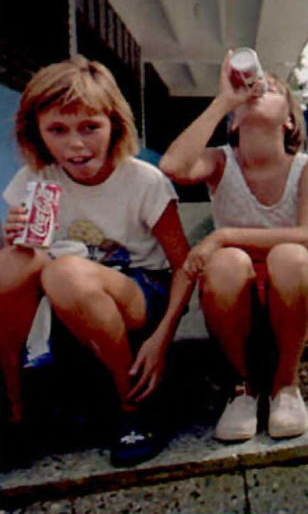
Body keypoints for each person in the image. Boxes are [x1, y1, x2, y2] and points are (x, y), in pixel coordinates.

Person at [0, 56, 191, 469]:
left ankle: (133, 403)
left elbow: (185, 266)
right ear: (37, 132)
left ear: (114, 126)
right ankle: (15, 409)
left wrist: (163, 339)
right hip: (69, 298)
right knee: (12, 263)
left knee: (63, 271)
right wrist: (11, 238)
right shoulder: (35, 179)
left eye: (90, 127)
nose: (76, 144)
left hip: (140, 291)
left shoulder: (143, 180)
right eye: (58, 130)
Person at [159, 51, 308, 443]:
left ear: (288, 118)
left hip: (293, 298)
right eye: (251, 88)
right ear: (233, 122)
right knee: (226, 263)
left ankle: (286, 385)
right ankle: (243, 388)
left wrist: (222, 235)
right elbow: (174, 166)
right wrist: (223, 101)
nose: (257, 89)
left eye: (269, 88)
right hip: (234, 301)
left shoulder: (307, 168)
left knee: (289, 254)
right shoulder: (220, 162)